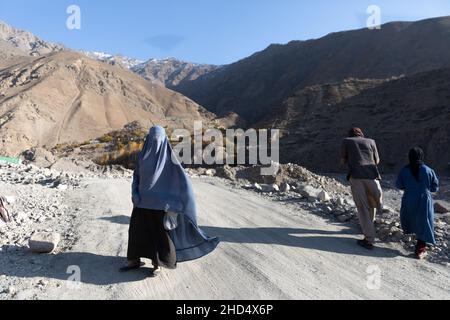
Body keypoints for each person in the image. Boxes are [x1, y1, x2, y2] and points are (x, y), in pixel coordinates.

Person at [120, 126, 219, 276]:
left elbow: (180, 182)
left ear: (164, 140)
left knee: (159, 235)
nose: (155, 142)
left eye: (158, 139)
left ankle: (157, 264)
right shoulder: (143, 156)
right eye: (152, 138)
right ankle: (134, 260)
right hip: (141, 204)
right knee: (137, 232)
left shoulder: (170, 160)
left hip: (161, 207)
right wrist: (135, 194)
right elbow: (136, 177)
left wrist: (179, 202)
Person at [341, 127, 383, 250]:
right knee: (374, 203)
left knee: (363, 207)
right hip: (373, 176)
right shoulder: (371, 141)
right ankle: (371, 224)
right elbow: (377, 160)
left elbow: (343, 160)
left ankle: (369, 239)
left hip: (357, 176)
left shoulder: (346, 141)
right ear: (362, 135)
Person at [396, 147, 439, 260]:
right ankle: (420, 250)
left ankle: (413, 238)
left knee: (411, 218)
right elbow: (435, 187)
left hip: (409, 198)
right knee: (424, 221)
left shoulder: (404, 170)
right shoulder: (428, 170)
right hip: (424, 199)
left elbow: (399, 185)